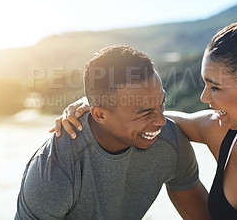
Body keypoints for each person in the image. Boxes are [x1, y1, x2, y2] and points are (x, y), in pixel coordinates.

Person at [53, 9, 237, 219]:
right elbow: (157, 120)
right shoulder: (219, 134)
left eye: (215, 87)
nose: (204, 98)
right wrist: (94, 102)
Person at [15, 46, 210, 219]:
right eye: (145, 113)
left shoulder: (170, 141)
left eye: (161, 104)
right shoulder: (55, 168)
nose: (161, 121)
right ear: (99, 115)